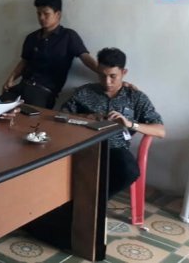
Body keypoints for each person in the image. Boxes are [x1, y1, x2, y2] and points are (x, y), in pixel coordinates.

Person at [62, 47, 165, 197]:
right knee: (58, 166)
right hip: (84, 146)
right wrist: (86, 117)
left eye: (113, 76)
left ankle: (95, 201)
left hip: (115, 148)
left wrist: (130, 124)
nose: (107, 82)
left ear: (124, 72)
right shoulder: (84, 92)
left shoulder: (135, 97)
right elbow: (61, 117)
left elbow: (160, 131)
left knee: (129, 171)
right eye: (102, 76)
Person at [1, 0, 97, 108]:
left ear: (58, 14)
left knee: (27, 117)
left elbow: (86, 58)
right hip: (22, 86)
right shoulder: (32, 37)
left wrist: (106, 74)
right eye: (39, 14)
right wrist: (10, 79)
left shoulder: (68, 36)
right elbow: (24, 61)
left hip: (43, 93)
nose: (41, 18)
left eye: (46, 14)